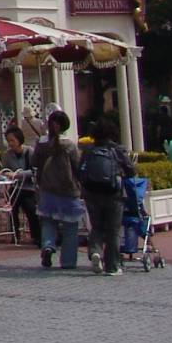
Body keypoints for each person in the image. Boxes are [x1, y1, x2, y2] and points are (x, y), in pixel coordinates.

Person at [31, 111, 85, 270]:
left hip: (47, 190)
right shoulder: (69, 145)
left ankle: (48, 246)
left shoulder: (41, 143)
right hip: (68, 191)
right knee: (70, 227)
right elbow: (77, 167)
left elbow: (34, 163)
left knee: (48, 222)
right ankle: (68, 262)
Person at [79, 119, 133, 275]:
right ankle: (112, 266)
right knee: (113, 231)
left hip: (92, 194)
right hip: (114, 194)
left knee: (97, 227)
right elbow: (131, 170)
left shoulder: (88, 151)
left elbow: (79, 170)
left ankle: (95, 251)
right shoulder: (118, 150)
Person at [0, 123, 40, 246]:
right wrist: (2, 173)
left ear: (19, 139)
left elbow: (35, 170)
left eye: (12, 140)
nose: (10, 143)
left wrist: (18, 174)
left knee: (30, 209)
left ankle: (36, 236)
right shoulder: (7, 155)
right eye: (8, 141)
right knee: (12, 208)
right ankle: (14, 234)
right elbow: (5, 170)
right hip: (15, 187)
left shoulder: (29, 152)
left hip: (28, 187)